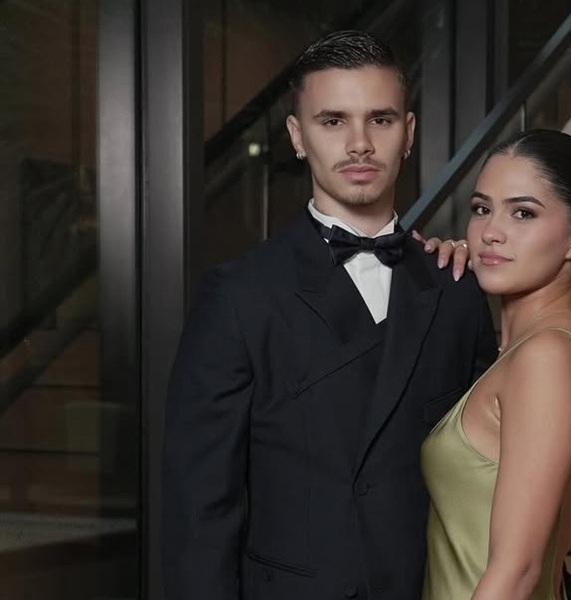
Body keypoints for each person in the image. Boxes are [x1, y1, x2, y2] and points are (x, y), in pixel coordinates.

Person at [162, 30, 495, 600]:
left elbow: (488, 474)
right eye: (333, 121)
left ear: (409, 133)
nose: (359, 144)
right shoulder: (239, 296)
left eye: (380, 120)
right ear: (298, 136)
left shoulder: (456, 288)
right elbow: (199, 510)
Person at [422, 129, 571, 600]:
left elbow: (517, 572)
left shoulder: (546, 357)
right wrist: (438, 279)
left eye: (523, 213)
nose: (491, 232)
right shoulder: (529, 350)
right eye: (482, 209)